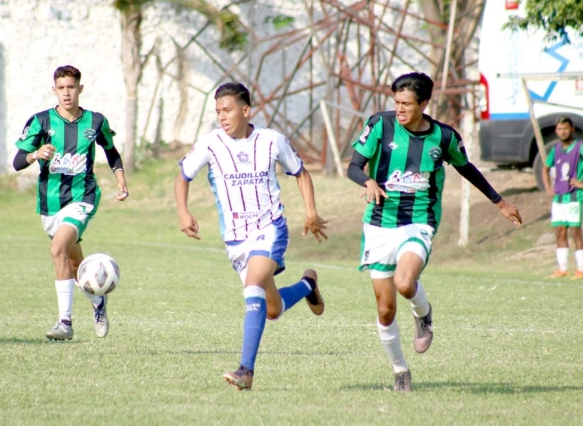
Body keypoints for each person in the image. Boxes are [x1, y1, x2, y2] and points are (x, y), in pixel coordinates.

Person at [346, 72, 522, 392]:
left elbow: (466, 167)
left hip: (419, 220)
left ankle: (423, 315)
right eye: (396, 102)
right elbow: (353, 167)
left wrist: (499, 201)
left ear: (424, 104)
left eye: (406, 104)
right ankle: (400, 370)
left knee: (404, 281)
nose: (399, 109)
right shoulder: (379, 125)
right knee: (385, 310)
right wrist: (368, 181)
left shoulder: (443, 138)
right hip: (379, 223)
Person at [175, 82, 328, 391]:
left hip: (270, 228)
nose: (222, 117)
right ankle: (307, 285)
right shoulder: (209, 144)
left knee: (253, 285)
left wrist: (310, 211)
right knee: (271, 310)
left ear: (246, 110)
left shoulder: (272, 141)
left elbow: (300, 172)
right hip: (235, 238)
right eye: (218, 111)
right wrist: (183, 212)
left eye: (228, 110)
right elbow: (183, 176)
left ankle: (246, 370)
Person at [12, 65, 129, 341]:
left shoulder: (96, 122)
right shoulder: (41, 122)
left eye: (71, 87)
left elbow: (112, 153)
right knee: (75, 266)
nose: (66, 93)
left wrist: (121, 179)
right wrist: (35, 154)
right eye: (61, 88)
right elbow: (18, 162)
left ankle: (65, 323)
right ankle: (98, 303)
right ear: (54, 90)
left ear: (80, 89)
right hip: (50, 203)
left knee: (57, 250)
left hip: (83, 197)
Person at [541, 116, 583, 279]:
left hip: (574, 196)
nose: (562, 132)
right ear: (556, 131)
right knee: (559, 231)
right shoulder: (556, 149)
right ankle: (562, 269)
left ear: (572, 130)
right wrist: (548, 187)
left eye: (565, 129)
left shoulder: (579, 147)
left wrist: (581, 183)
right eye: (559, 129)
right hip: (558, 197)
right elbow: (545, 168)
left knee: (576, 232)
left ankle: (580, 269)